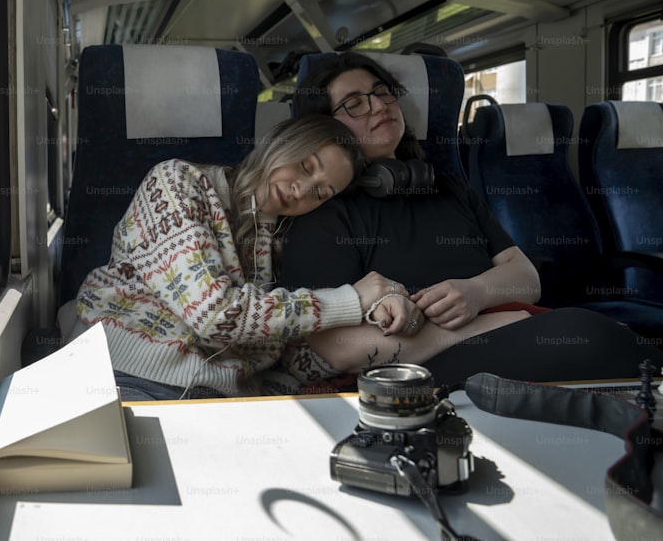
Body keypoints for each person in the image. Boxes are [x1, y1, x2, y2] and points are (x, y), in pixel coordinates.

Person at [281, 51, 663, 384]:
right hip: (416, 365)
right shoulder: (324, 212)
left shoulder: (448, 188)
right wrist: (481, 329)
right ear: (327, 129)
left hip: (499, 332)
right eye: (355, 104)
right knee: (587, 336)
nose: (379, 106)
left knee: (604, 340)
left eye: (382, 93)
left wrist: (478, 292)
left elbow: (526, 278)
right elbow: (333, 348)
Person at [73, 114, 416, 401]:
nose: (302, 190)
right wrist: (352, 299)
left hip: (221, 398)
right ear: (279, 143)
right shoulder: (175, 182)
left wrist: (380, 314)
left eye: (321, 193)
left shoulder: (281, 242)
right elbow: (213, 313)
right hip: (128, 376)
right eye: (304, 165)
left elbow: (296, 360)